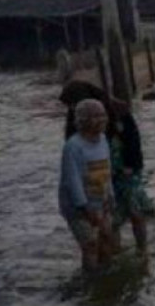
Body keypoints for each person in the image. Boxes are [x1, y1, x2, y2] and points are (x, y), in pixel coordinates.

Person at [60, 81, 155, 258]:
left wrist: (131, 165)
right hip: (99, 174)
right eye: (69, 106)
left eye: (73, 103)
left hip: (125, 167)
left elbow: (133, 140)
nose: (71, 108)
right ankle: (114, 253)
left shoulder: (116, 109)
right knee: (112, 217)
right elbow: (72, 156)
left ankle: (143, 249)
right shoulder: (77, 118)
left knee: (135, 210)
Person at [59, 99, 115, 272]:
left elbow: (107, 169)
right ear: (83, 120)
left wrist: (111, 195)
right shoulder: (73, 146)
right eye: (96, 116)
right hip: (78, 207)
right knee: (90, 244)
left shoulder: (104, 140)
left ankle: (106, 274)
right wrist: (84, 207)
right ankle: (91, 282)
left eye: (103, 115)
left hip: (101, 200)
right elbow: (72, 180)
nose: (102, 120)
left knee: (106, 238)